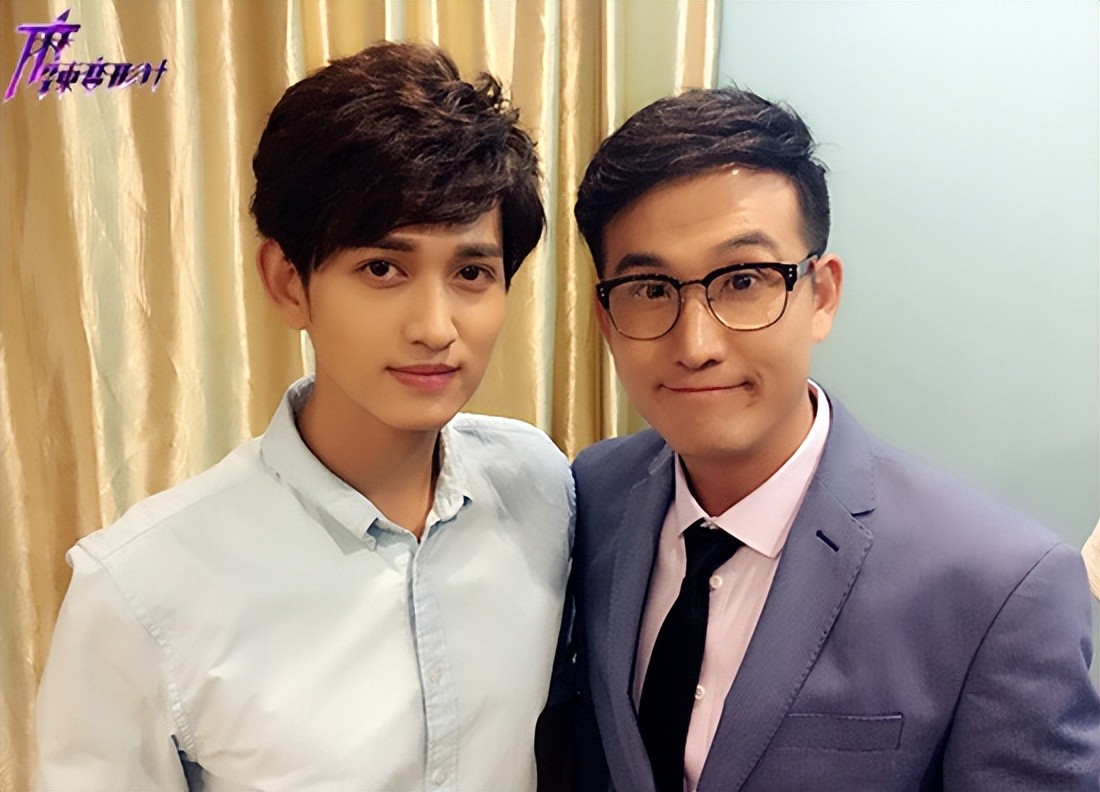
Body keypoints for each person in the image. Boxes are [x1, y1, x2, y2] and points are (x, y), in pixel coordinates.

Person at [36, 42, 573, 791]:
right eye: (382, 268)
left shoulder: (540, 488)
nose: (435, 327)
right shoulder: (140, 589)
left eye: (471, 272)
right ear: (289, 283)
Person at [566, 87, 1099, 791]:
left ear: (821, 296)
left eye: (744, 280)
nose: (696, 345)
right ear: (607, 321)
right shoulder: (592, 493)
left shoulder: (1001, 586)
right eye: (650, 289)